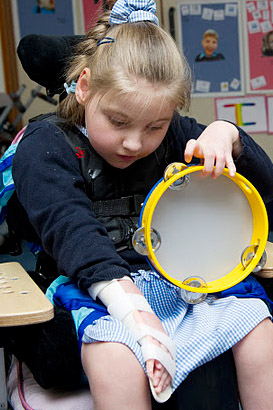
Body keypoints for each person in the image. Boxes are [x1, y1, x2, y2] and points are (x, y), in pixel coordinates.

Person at [10, 0, 273, 409]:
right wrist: (134, 314)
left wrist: (228, 137)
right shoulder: (45, 146)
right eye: (117, 122)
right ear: (84, 87)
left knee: (257, 323)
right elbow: (71, 229)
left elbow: (265, 189)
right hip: (93, 288)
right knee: (115, 357)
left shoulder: (176, 136)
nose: (135, 142)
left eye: (155, 126)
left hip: (175, 281)